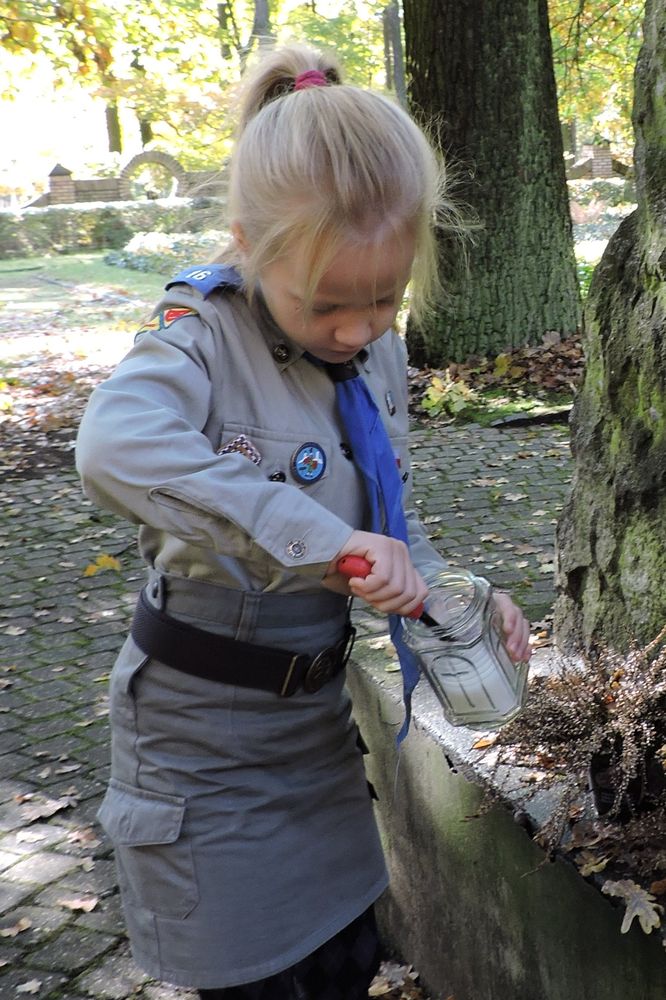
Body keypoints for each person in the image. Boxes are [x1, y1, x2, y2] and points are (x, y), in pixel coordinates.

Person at [76, 44, 531, 1000]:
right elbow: (114, 447)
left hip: (318, 744)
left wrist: (456, 599)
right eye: (329, 304)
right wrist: (319, 543)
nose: (360, 330)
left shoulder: (375, 353)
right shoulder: (201, 335)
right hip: (202, 755)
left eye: (386, 299)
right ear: (247, 244)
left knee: (346, 964)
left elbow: (382, 517)